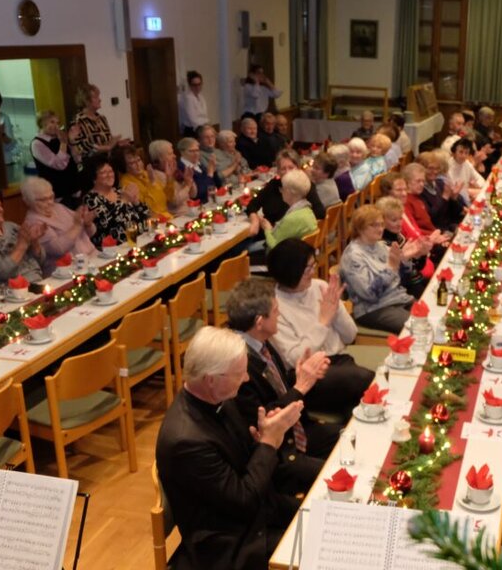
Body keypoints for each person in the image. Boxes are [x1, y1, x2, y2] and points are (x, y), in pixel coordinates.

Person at [155, 326, 309, 570]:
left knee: (322, 516)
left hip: (257, 511)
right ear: (211, 379)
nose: (247, 378)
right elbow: (243, 500)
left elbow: (245, 465)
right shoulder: (185, 441)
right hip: (229, 542)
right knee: (318, 552)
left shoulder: (219, 399)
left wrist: (262, 441)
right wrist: (268, 444)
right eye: (239, 373)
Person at [224, 277, 340, 458]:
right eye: (276, 311)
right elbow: (263, 419)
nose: (279, 315)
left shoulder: (260, 341)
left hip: (297, 430)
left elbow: (277, 388)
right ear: (260, 322)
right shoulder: (239, 364)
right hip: (279, 451)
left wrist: (300, 375)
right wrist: (300, 386)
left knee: (350, 436)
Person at [266, 239, 375, 414]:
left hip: (339, 361)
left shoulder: (320, 287)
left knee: (359, 406)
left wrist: (336, 312)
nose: (313, 272)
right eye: (307, 269)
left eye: (313, 265)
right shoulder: (275, 306)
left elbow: (350, 336)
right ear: (290, 272)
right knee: (367, 380)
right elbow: (295, 359)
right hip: (308, 374)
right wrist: (323, 322)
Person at [340, 205, 415, 333]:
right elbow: (369, 294)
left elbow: (402, 278)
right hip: (373, 309)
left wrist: (413, 256)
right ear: (360, 227)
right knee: (419, 327)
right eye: (374, 225)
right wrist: (391, 267)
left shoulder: (380, 246)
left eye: (381, 224)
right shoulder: (353, 256)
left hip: (398, 299)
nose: (380, 229)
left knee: (434, 316)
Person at [21, 176, 96, 273]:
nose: (50, 202)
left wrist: (88, 224)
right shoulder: (33, 223)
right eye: (43, 200)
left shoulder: (59, 207)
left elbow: (91, 233)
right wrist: (77, 226)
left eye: (51, 197)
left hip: (91, 259)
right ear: (28, 201)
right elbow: (58, 249)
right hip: (67, 271)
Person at [81, 155, 150, 247]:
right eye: (103, 173)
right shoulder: (91, 199)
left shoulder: (120, 191)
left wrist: (136, 202)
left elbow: (146, 217)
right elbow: (107, 226)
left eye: (111, 171)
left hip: (138, 242)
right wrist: (124, 201)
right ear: (94, 178)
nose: (109, 175)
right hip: (113, 249)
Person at [378, 196, 433, 297]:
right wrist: (403, 259)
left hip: (415, 281)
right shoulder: (382, 244)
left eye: (400, 219)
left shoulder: (399, 236)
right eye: (394, 220)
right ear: (382, 221)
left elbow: (418, 267)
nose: (399, 224)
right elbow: (395, 280)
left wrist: (422, 254)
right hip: (402, 290)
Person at [250, 169, 318, 250]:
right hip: (300, 255)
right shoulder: (307, 210)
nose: (281, 191)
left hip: (282, 259)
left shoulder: (292, 218)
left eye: (283, 188)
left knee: (240, 250)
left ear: (290, 192)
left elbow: (274, 246)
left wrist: (267, 229)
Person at [30, 110, 82, 207]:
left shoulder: (59, 138)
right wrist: (63, 143)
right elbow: (59, 165)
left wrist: (72, 142)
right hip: (58, 194)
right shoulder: (37, 144)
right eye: (52, 122)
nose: (56, 126)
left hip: (74, 189)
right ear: (42, 123)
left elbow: (78, 159)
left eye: (57, 123)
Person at [70, 83, 128, 162]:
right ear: (86, 101)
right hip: (91, 165)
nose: (100, 99)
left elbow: (108, 141)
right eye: (96, 97)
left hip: (108, 162)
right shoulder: (78, 121)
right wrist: (109, 147)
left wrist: (117, 144)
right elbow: (81, 148)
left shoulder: (102, 118)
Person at [178, 136, 222, 203]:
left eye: (197, 150)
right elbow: (199, 193)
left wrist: (214, 170)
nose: (196, 153)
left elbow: (217, 185)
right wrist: (210, 173)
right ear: (182, 152)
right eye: (191, 151)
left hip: (211, 200)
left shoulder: (198, 164)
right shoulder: (181, 168)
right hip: (198, 205)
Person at [178, 70, 209, 137]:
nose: (197, 87)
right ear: (190, 85)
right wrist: (205, 126)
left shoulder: (201, 97)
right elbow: (193, 120)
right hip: (192, 131)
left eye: (199, 84)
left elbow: (205, 115)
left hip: (202, 128)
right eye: (194, 85)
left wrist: (207, 125)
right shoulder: (188, 98)